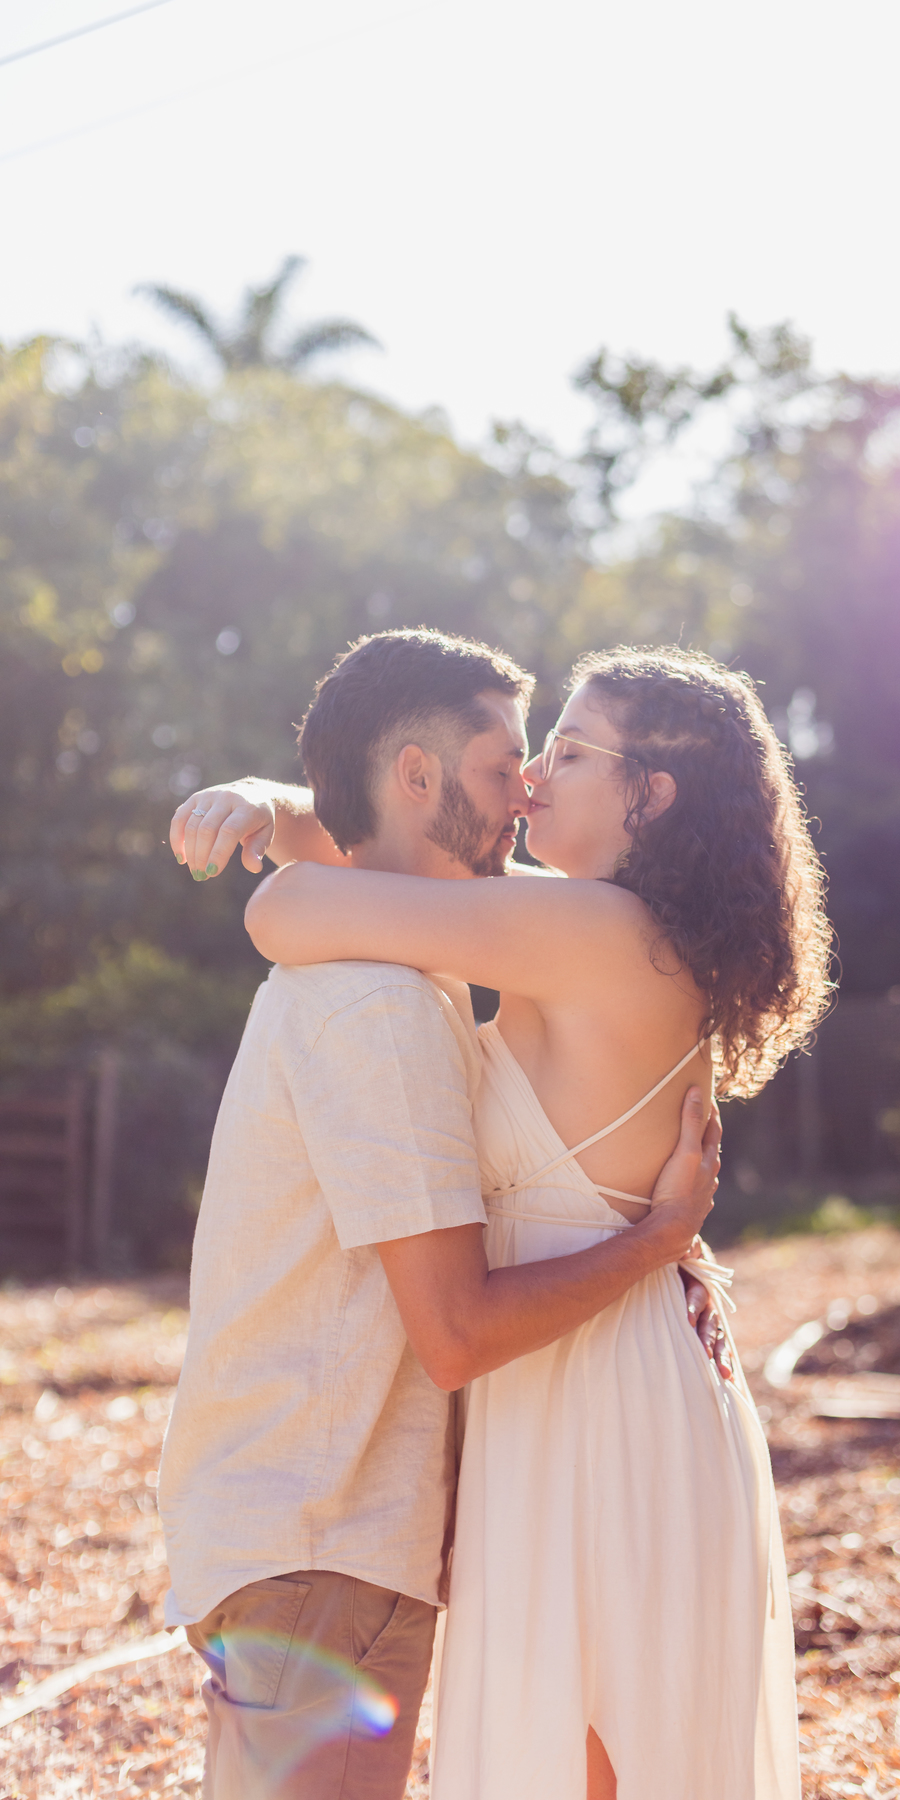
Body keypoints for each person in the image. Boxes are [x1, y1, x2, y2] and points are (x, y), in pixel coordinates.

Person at [219, 639, 832, 1800]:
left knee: (594, 1749)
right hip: (587, 1366)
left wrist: (279, 822)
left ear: (648, 795)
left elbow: (292, 910)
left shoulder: (593, 933)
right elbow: (403, 862)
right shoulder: (614, 929)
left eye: (571, 750)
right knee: (595, 1751)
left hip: (593, 1391)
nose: (536, 776)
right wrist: (278, 802)